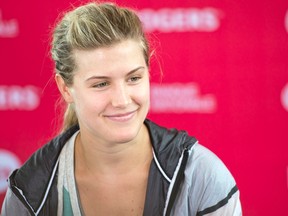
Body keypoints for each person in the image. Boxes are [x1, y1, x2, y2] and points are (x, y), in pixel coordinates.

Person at [1, 2, 242, 216]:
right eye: (101, 84)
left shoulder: (202, 176)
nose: (122, 100)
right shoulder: (30, 190)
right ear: (65, 88)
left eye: (133, 78)